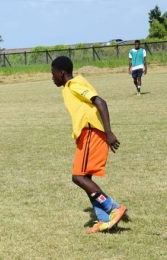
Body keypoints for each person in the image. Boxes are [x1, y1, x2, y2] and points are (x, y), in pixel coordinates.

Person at [51, 56, 127, 234]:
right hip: (87, 134)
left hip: (91, 133)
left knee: (78, 177)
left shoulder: (74, 85)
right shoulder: (74, 84)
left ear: (61, 73)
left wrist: (108, 132)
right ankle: (104, 220)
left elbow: (100, 102)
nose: (52, 77)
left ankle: (113, 207)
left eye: (53, 73)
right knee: (86, 180)